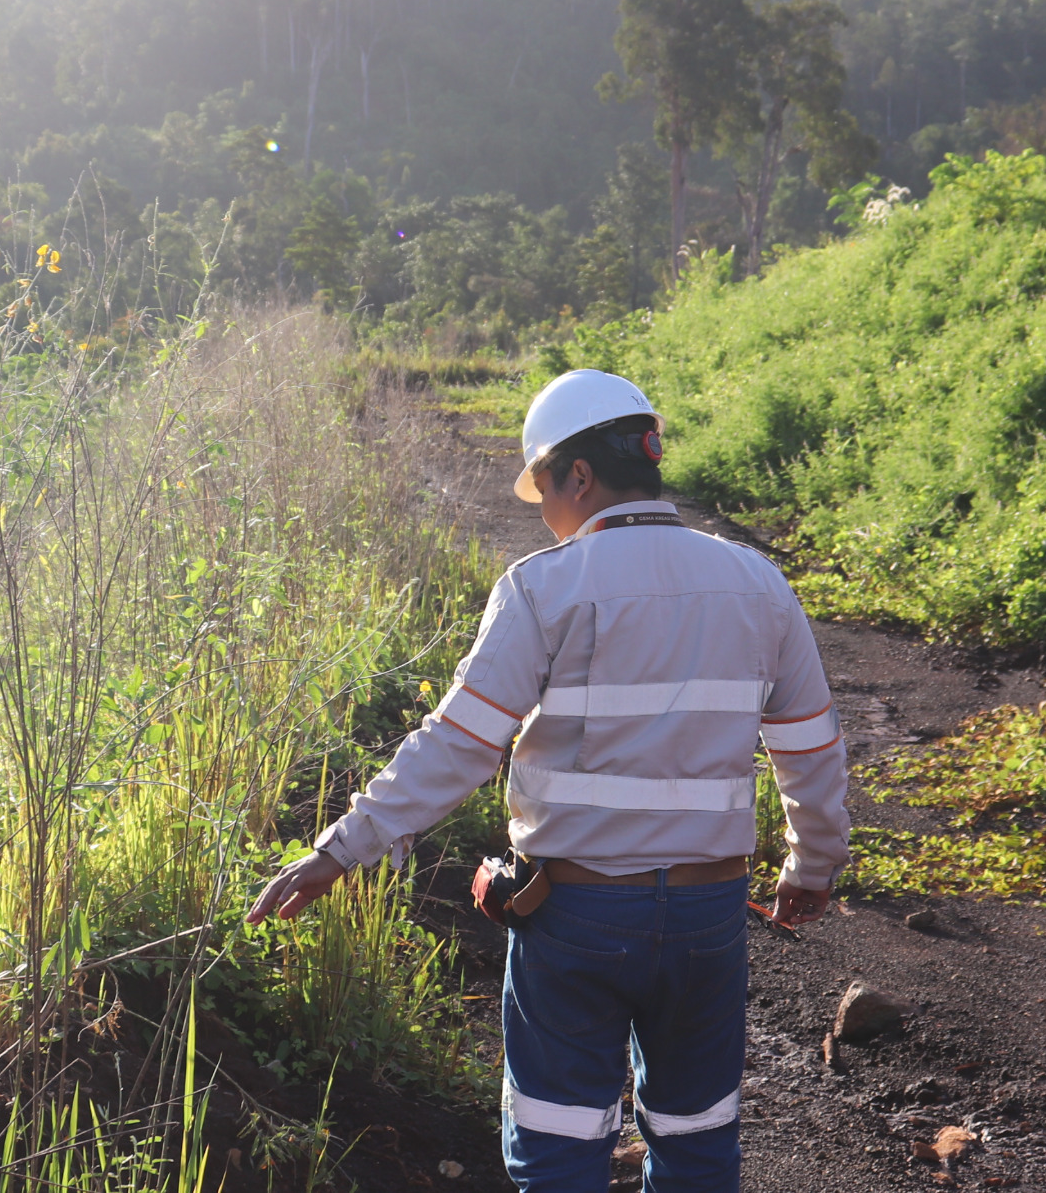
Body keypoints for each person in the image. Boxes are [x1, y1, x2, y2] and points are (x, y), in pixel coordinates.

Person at [246, 369, 850, 1191]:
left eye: (545, 490)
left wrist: (341, 849)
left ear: (578, 475)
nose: (545, 512)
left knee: (560, 1148)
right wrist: (811, 867)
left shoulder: (543, 587)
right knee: (697, 1141)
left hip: (577, 917)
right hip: (710, 916)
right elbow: (810, 749)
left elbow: (457, 745)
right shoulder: (759, 584)